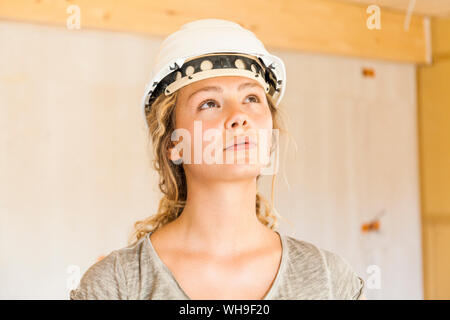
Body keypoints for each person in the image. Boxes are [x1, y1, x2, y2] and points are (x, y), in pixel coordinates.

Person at [70, 18, 365, 300]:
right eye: (209, 103)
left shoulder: (330, 280)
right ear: (174, 144)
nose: (239, 117)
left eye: (251, 98)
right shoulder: (117, 285)